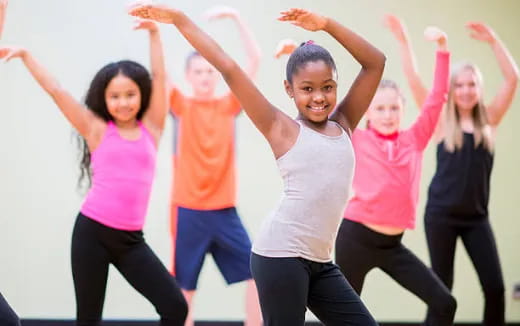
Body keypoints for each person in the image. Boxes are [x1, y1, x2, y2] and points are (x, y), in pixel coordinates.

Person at [129, 5, 386, 325]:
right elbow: (228, 67)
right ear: (289, 90)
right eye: (307, 88)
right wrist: (180, 20)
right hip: (280, 256)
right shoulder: (280, 128)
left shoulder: (344, 123)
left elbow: (376, 63)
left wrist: (326, 25)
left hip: (321, 262)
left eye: (327, 87)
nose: (319, 97)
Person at [0, 18, 188, 326]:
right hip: (92, 233)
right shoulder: (96, 130)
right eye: (115, 96)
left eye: (130, 94)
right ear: (104, 98)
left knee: (175, 307)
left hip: (131, 240)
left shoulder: (152, 128)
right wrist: (25, 55)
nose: (123, 102)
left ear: (141, 94)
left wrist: (155, 34)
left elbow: (160, 75)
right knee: (88, 319)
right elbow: (56, 90)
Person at [384, 14, 519, 325]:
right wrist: (404, 41)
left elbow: (513, 78)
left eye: (472, 84)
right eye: (459, 85)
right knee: (442, 291)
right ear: (453, 89)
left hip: (476, 218)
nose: (466, 91)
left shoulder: (490, 120)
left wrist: (494, 41)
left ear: (479, 88)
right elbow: (415, 80)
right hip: (441, 216)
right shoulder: (443, 122)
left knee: (495, 288)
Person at [334, 25, 456, 326]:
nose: (387, 115)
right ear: (369, 113)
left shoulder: (414, 139)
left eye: (393, 108)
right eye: (380, 109)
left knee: (445, 303)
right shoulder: (357, 138)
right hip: (354, 238)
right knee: (341, 318)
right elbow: (327, 111)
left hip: (392, 245)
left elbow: (437, 98)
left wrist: (442, 48)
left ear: (402, 109)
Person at [167, 6, 261, 326]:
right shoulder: (180, 104)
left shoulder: (229, 104)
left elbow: (255, 61)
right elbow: (158, 73)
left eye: (210, 71)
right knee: (184, 288)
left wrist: (238, 19)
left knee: (257, 274)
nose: (205, 77)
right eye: (199, 72)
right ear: (188, 77)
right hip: (189, 211)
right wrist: (156, 26)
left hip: (224, 211)